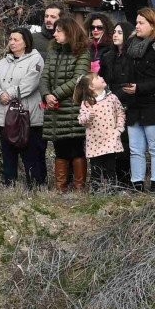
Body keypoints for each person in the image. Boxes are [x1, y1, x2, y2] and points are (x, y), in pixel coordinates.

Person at [113, 8, 155, 191]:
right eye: (137, 22)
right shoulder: (131, 46)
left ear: (153, 24)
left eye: (142, 23)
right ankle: (137, 184)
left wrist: (139, 88)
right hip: (135, 106)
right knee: (135, 149)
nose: (137, 26)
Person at [0, 27, 48, 189]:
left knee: (31, 155)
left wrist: (9, 93)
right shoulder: (3, 61)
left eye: (16, 40)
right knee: (8, 156)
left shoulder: (35, 60)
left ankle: (36, 187)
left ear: (26, 42)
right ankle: (10, 187)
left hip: (27, 117)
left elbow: (29, 84)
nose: (12, 43)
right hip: (4, 116)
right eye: (10, 39)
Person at [42, 14, 91, 192]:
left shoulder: (83, 52)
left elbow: (78, 79)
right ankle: (61, 187)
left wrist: (55, 94)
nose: (55, 34)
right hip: (55, 109)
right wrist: (46, 94)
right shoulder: (53, 51)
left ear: (70, 32)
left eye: (59, 31)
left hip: (73, 108)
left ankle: (79, 187)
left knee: (76, 148)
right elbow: (44, 76)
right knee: (60, 149)